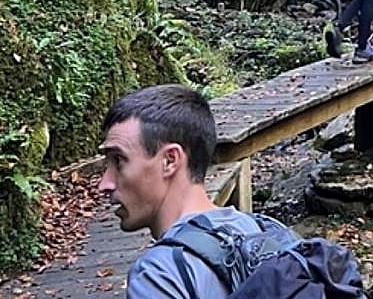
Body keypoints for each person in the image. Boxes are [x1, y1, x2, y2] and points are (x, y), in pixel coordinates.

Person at [98, 85, 274, 298]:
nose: (104, 184)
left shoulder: (159, 276)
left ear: (170, 160)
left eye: (118, 160)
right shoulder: (263, 230)